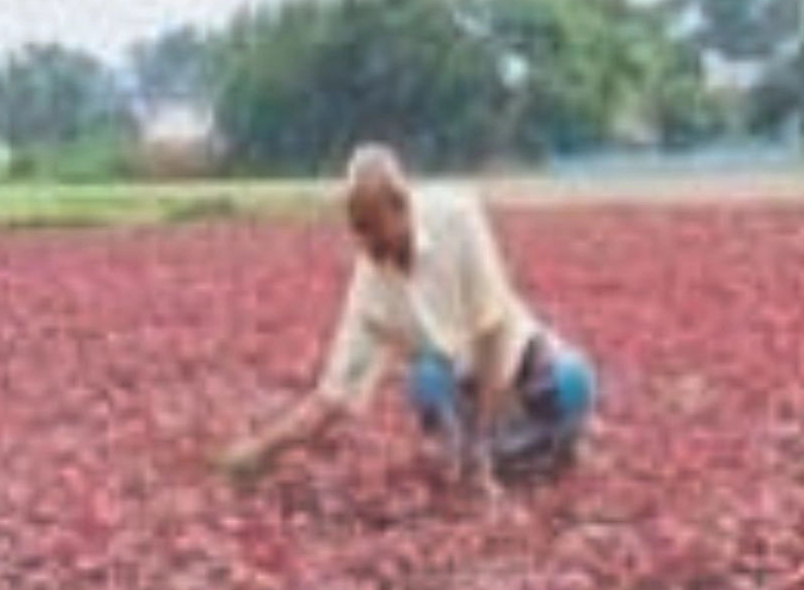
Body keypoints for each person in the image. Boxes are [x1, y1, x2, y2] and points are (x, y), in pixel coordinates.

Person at [217, 144, 598, 498]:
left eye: (375, 228)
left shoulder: (456, 217)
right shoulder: (370, 288)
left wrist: (480, 447)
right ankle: (496, 450)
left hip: (516, 362)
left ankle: (520, 443)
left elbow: (492, 330)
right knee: (427, 380)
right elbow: (332, 396)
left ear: (402, 207)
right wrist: (261, 450)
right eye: (359, 232)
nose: (370, 246)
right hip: (459, 382)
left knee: (571, 384)